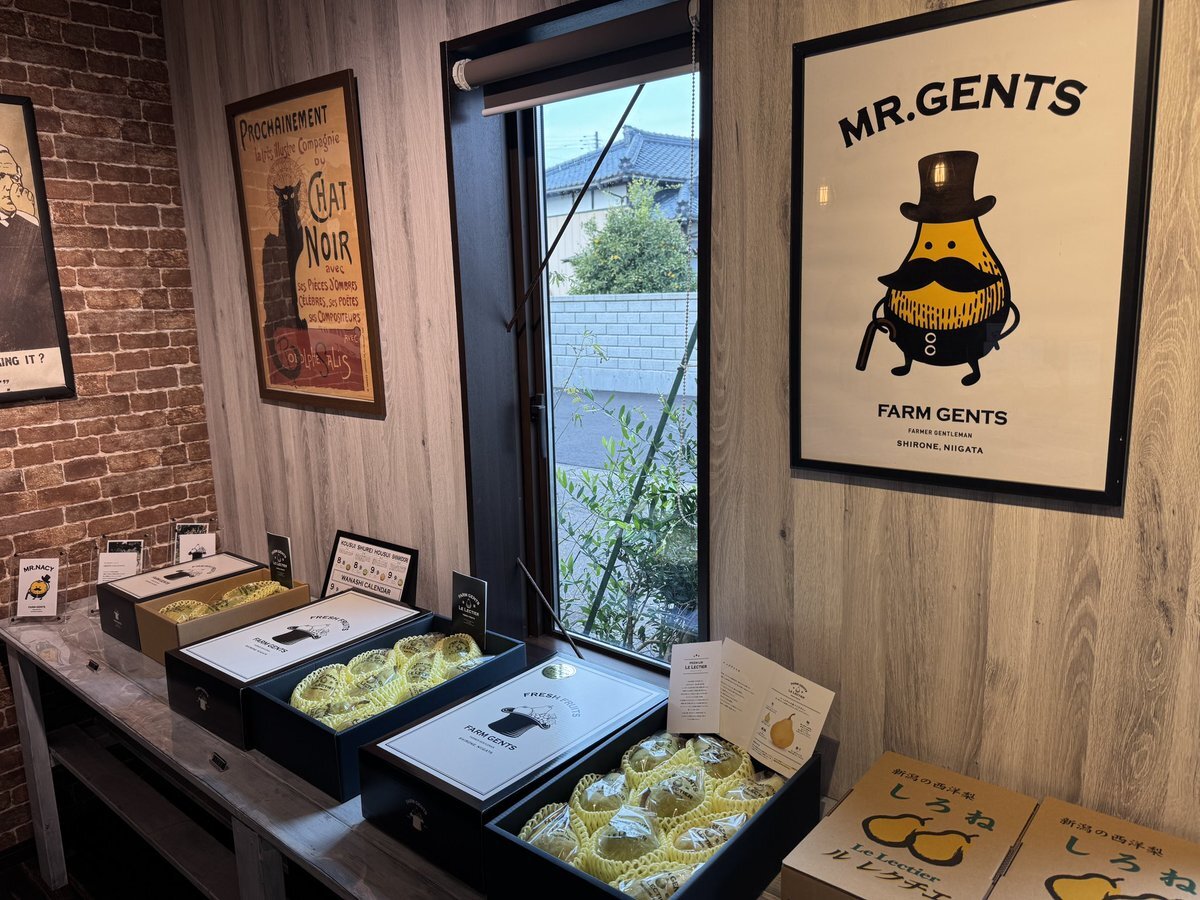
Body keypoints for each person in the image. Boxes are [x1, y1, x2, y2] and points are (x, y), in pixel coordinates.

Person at [0, 144, 57, 353]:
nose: (11, 186)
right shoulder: (28, 226)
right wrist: (27, 219)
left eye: (15, 177)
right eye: (1, 176)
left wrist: (28, 221)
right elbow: (10, 298)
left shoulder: (28, 226)